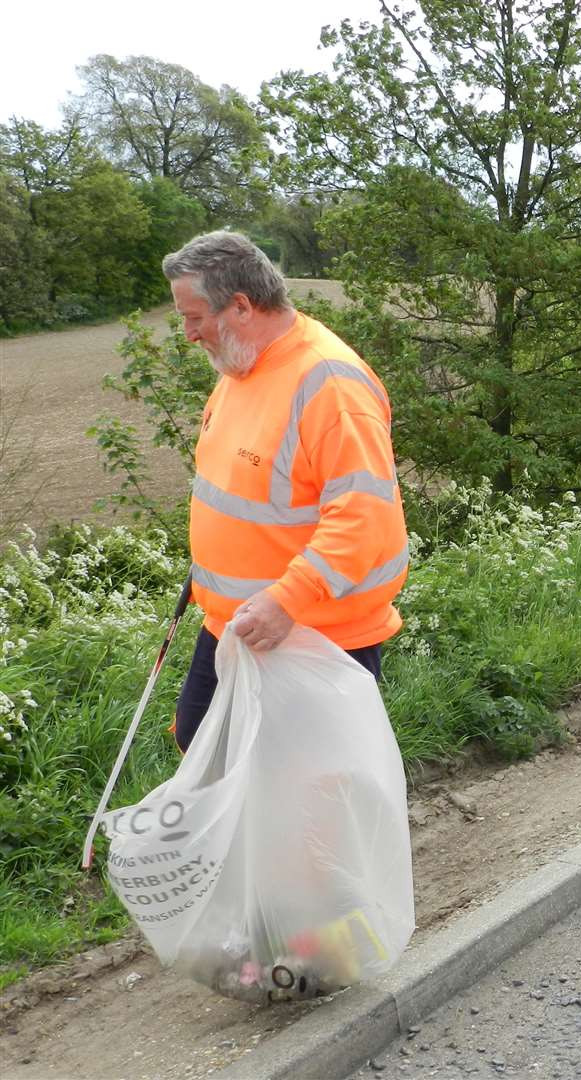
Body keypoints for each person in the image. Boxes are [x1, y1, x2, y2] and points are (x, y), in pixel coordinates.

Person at [162, 230, 408, 750]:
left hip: (311, 631)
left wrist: (286, 599)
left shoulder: (330, 385)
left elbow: (364, 517)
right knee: (199, 744)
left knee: (300, 791)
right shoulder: (241, 365)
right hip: (235, 623)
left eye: (194, 318)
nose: (187, 333)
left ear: (242, 307)